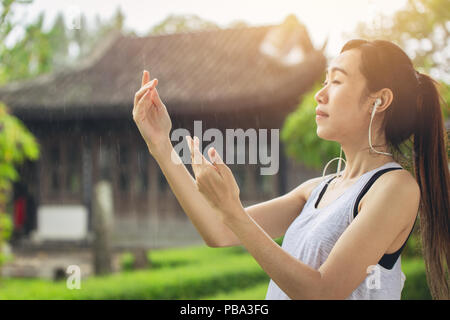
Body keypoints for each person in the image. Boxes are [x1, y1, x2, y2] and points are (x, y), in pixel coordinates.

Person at [132, 39, 449, 300]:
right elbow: (219, 230)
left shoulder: (395, 188)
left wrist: (232, 208)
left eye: (336, 81)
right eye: (325, 81)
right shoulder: (317, 189)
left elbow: (322, 291)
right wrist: (160, 145)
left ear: (379, 101)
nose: (319, 94)